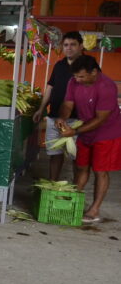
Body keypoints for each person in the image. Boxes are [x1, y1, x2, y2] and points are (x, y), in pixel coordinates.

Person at [55, 55, 121, 224]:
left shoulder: (106, 87)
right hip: (85, 131)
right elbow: (68, 104)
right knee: (81, 167)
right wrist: (62, 118)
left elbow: (101, 119)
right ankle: (74, 199)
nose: (77, 79)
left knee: (100, 171)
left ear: (94, 72)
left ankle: (95, 209)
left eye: (81, 76)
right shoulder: (74, 81)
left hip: (107, 134)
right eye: (76, 76)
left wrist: (74, 131)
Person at [33, 31, 85, 181]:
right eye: (66, 45)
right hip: (54, 117)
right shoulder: (59, 65)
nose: (69, 48)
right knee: (55, 154)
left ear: (80, 46)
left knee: (77, 157)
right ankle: (53, 184)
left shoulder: (88, 65)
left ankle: (76, 188)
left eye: (73, 45)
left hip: (77, 120)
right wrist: (41, 109)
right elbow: (50, 87)